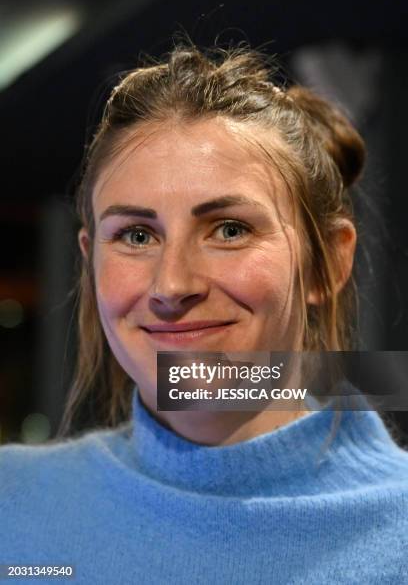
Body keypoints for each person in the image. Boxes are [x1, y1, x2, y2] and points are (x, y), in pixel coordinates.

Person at [1, 43, 408, 584]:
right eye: (136, 235)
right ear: (89, 259)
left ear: (326, 264)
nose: (173, 284)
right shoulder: (15, 506)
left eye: (229, 230)